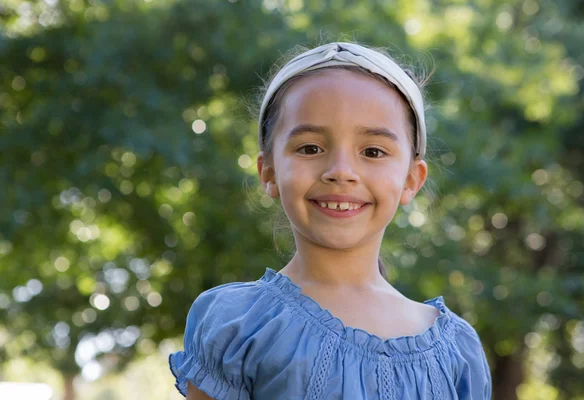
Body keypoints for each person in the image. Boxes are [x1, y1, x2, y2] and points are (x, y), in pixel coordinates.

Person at [169, 41, 492, 399]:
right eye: (310, 148)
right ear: (269, 172)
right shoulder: (237, 325)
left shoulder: (458, 351)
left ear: (411, 179)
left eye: (373, 151)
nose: (341, 172)